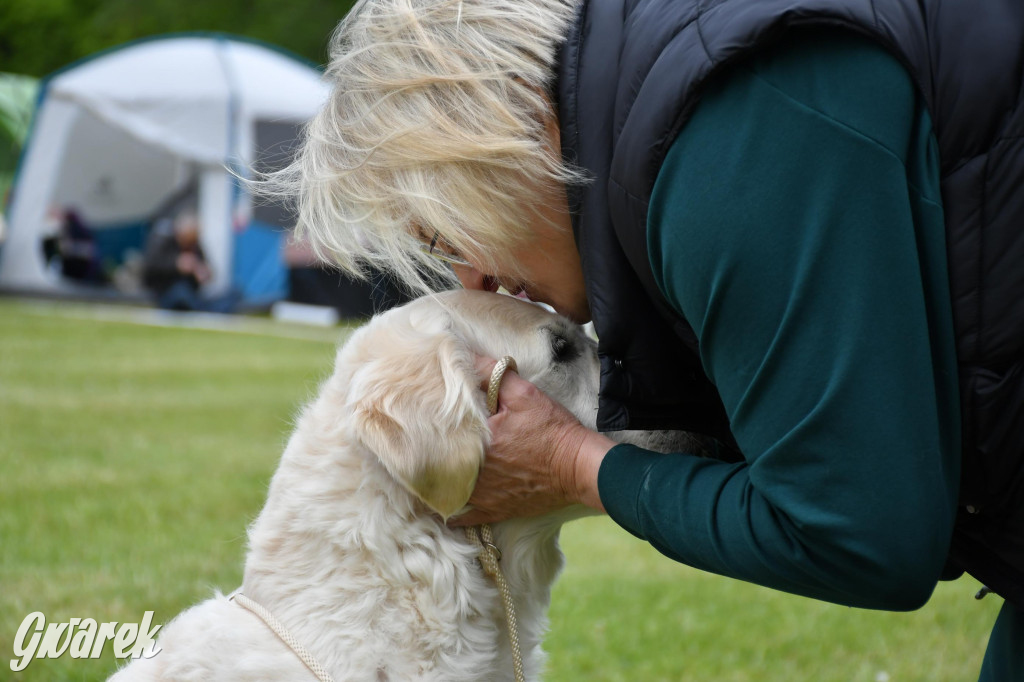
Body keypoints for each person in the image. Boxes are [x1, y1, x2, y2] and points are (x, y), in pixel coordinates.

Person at [280, 1, 1024, 678]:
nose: (469, 279)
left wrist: (579, 465)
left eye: (446, 233)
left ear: (480, 142)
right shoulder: (671, 92)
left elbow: (859, 532)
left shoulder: (723, 131)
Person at [142, 211, 236, 313]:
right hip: (166, 291)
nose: (190, 244)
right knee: (181, 293)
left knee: (233, 293)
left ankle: (203, 308)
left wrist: (204, 272)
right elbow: (150, 266)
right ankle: (205, 309)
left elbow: (208, 269)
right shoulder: (163, 240)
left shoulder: (194, 246)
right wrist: (176, 264)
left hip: (192, 292)